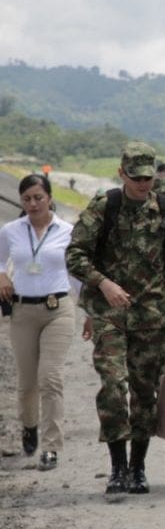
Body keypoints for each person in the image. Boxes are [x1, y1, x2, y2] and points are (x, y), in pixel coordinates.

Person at [65, 142, 165, 498]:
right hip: (109, 315)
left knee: (144, 394)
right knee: (113, 387)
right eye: (136, 178)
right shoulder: (105, 207)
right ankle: (117, 466)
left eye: (148, 178)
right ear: (122, 174)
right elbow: (74, 255)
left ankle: (138, 468)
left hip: (152, 317)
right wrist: (102, 284)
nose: (142, 184)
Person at [0, 175, 77, 470]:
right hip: (22, 312)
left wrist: (93, 314)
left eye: (38, 197)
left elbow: (77, 274)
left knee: (50, 378)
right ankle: (28, 426)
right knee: (27, 384)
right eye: (27, 199)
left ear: (50, 198)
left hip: (58, 309)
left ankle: (51, 446)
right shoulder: (11, 231)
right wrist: (2, 275)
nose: (33, 204)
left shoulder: (66, 231)